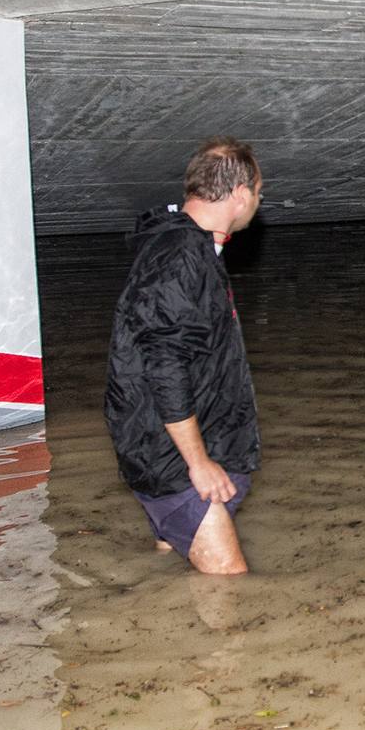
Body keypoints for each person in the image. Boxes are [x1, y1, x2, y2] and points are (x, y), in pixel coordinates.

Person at [104, 136, 263, 575]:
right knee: (230, 586)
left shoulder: (191, 246)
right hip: (169, 458)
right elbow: (165, 364)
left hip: (176, 448)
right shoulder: (180, 255)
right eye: (258, 192)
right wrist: (198, 463)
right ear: (239, 194)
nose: (258, 201)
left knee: (170, 564)